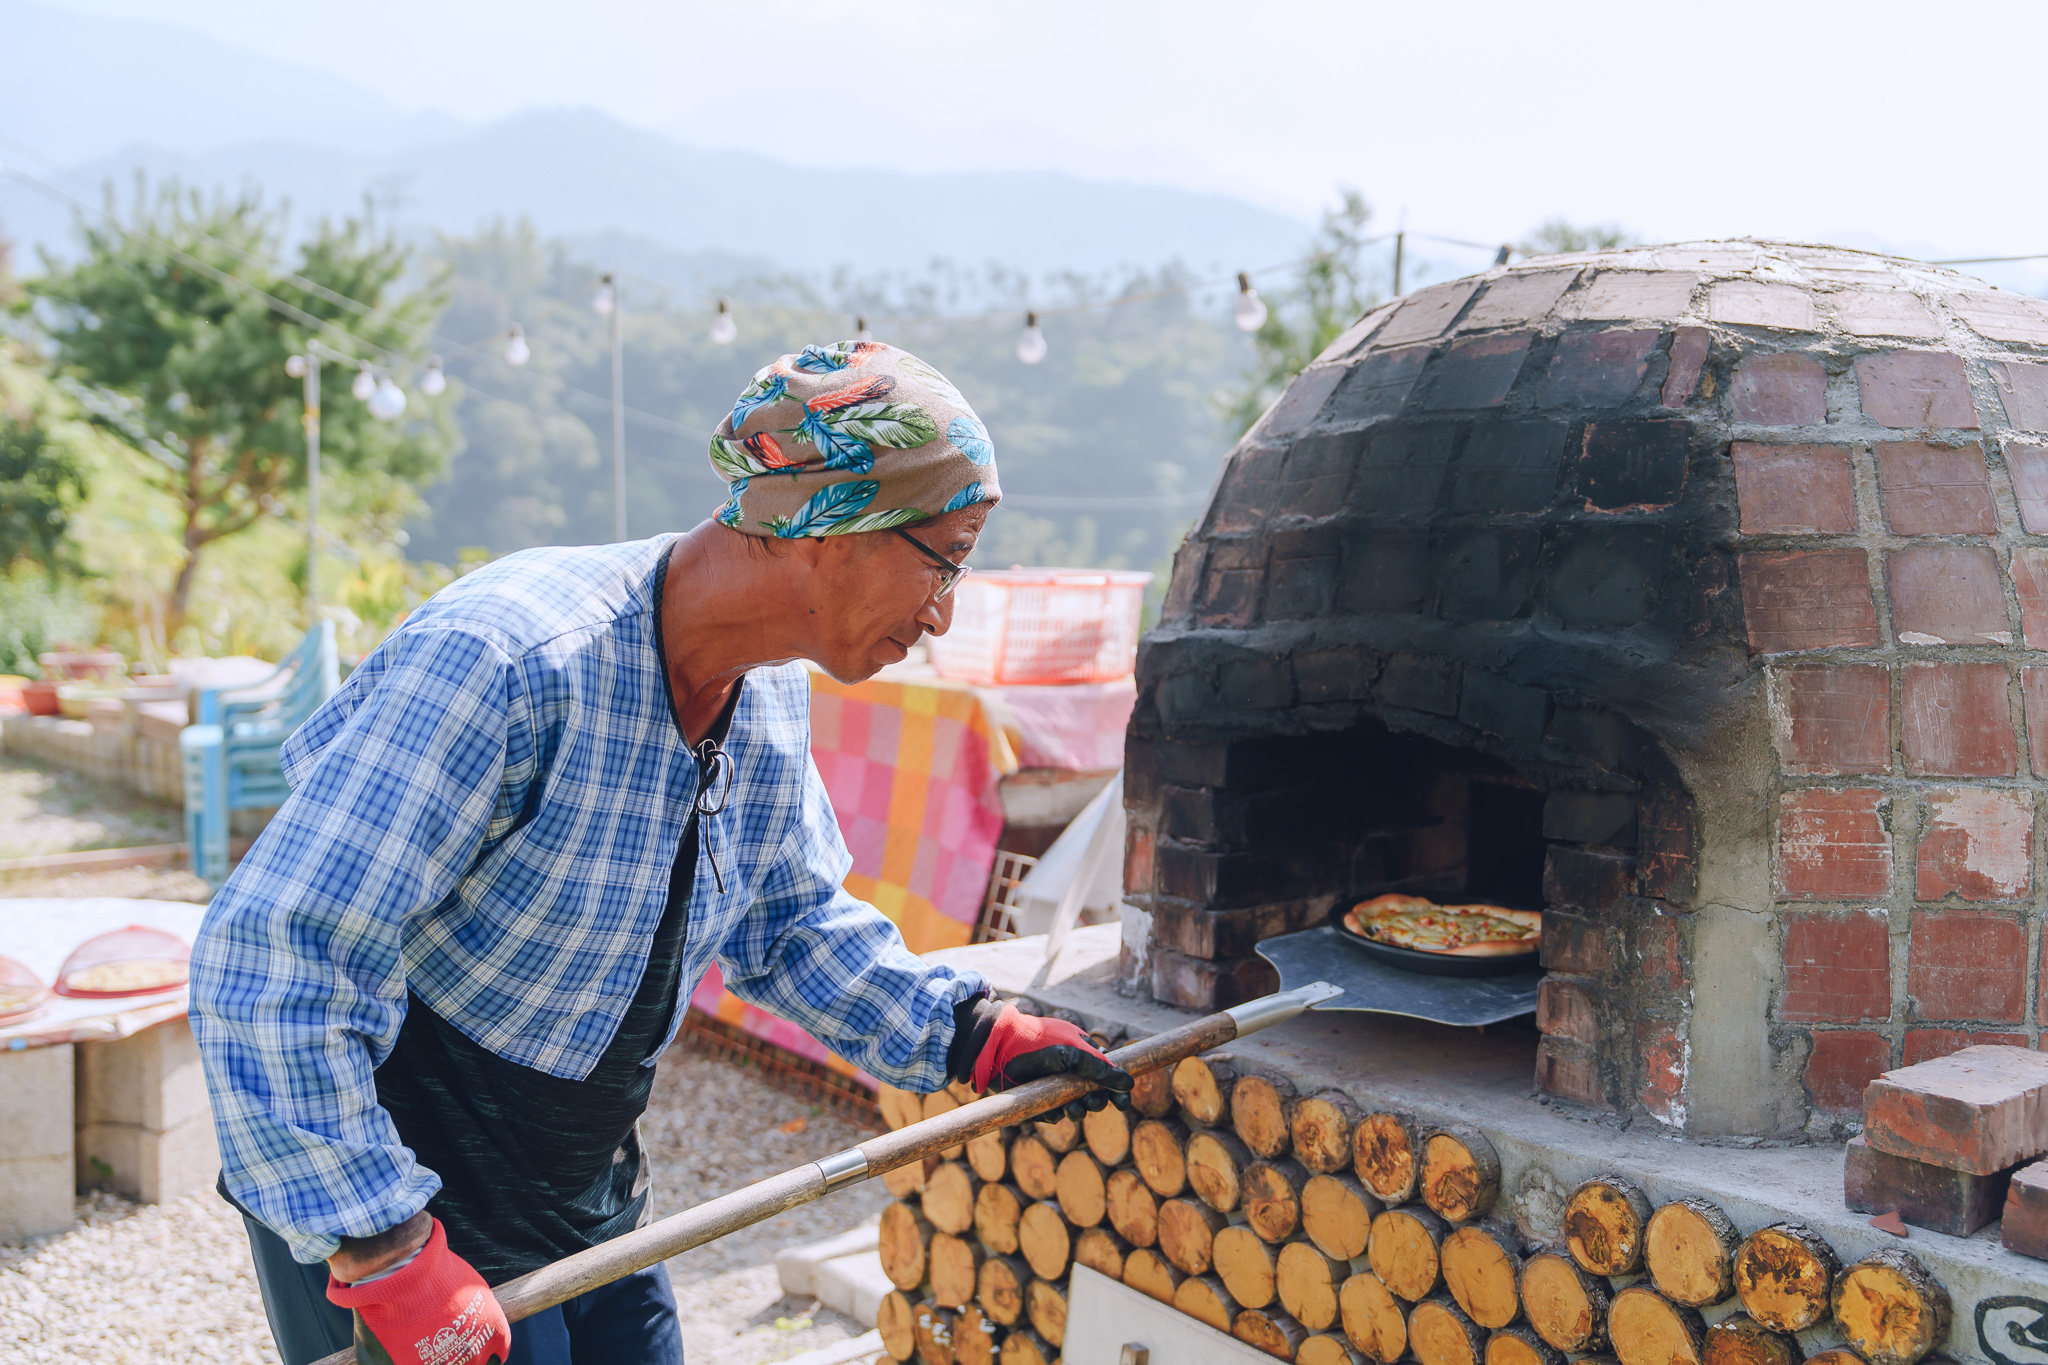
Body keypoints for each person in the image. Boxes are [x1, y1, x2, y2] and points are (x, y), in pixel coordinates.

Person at [189, 340, 1133, 1365]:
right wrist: (381, 1245)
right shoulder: (509, 661)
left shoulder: (765, 689)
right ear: (831, 523)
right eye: (944, 555)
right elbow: (273, 957)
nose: (944, 609)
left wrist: (970, 1033)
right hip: (403, 1182)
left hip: (580, 1179)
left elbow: (791, 922)